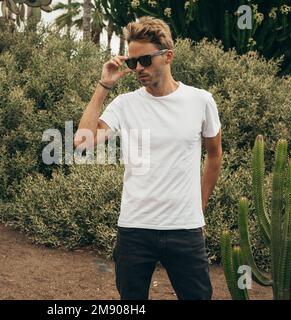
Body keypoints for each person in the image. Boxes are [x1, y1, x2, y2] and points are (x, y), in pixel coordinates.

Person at [74, 16, 222, 300]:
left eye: (144, 60)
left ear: (168, 56)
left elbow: (214, 156)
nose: (138, 68)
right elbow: (82, 143)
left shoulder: (200, 101)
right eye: (132, 62)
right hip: (135, 228)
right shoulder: (125, 104)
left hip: (185, 229)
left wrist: (199, 206)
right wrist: (103, 86)